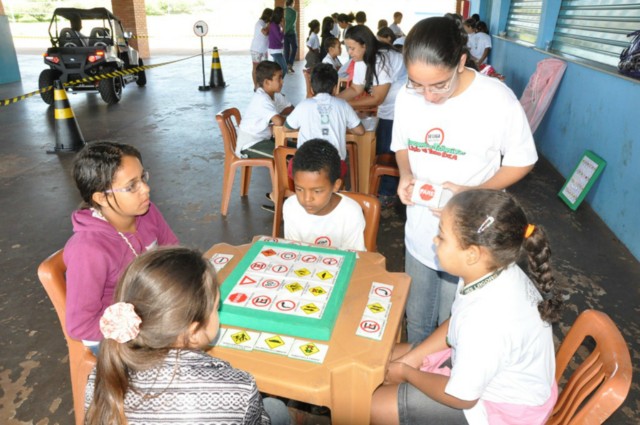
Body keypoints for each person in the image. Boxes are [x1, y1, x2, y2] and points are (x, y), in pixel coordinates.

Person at [391, 17, 538, 344]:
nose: (428, 96)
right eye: (419, 84)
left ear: (460, 62)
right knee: (416, 321)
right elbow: (401, 143)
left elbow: (522, 160)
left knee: (454, 326)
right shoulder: (407, 96)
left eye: (439, 85)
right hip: (420, 228)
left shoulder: (495, 99)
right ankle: (415, 380)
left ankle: (441, 388)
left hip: (469, 236)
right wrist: (406, 175)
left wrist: (470, 193)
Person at [370, 189, 562, 425]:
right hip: (495, 373)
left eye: (441, 236)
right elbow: (458, 321)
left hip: (501, 410)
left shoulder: (485, 322)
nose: (434, 240)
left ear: (472, 253)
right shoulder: (489, 269)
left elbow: (462, 397)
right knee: (377, 355)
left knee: (373, 405)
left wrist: (408, 373)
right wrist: (412, 359)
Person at [84, 247, 291, 425]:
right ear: (193, 333)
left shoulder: (102, 375)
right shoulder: (239, 388)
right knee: (276, 408)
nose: (218, 312)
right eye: (216, 307)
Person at [63, 142, 178, 353]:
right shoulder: (88, 250)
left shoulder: (147, 212)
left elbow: (174, 254)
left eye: (143, 178)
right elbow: (80, 325)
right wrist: (142, 327)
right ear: (101, 198)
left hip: (151, 308)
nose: (145, 189)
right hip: (113, 337)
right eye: (131, 186)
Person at [337, 25, 407, 206]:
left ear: (365, 45)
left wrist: (344, 106)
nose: (349, 52)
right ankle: (385, 188)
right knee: (383, 143)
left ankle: (387, 193)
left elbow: (377, 98)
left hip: (401, 106)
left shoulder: (379, 60)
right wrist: (334, 100)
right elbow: (356, 88)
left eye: (352, 48)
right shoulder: (362, 59)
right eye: (347, 48)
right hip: (389, 105)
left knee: (387, 147)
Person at [283, 139, 366, 251]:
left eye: (317, 191)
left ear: (336, 185)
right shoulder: (291, 207)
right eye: (299, 189)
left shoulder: (351, 213)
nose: (307, 199)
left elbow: (353, 258)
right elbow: (293, 252)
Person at [284, 63, 364, 177]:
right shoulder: (343, 105)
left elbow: (286, 127)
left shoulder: (303, 105)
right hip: (334, 169)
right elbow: (360, 131)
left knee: (293, 165)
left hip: (305, 168)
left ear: (311, 88)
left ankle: (300, 191)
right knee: (339, 168)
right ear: (335, 88)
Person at [236, 60, 294, 159]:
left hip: (265, 139)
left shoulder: (275, 94)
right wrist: (290, 121)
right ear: (267, 82)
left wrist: (277, 114)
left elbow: (290, 109)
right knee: (286, 156)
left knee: (299, 149)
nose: (282, 81)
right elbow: (279, 121)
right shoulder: (261, 99)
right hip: (250, 144)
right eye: (279, 78)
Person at [250, 8, 273, 89]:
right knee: (256, 68)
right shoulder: (260, 23)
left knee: (264, 68)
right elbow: (265, 32)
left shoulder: (265, 23)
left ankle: (262, 86)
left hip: (263, 50)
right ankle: (256, 86)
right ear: (268, 16)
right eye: (271, 16)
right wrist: (270, 24)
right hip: (256, 49)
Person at [268, 7, 287, 78]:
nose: (284, 16)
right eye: (283, 14)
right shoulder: (273, 25)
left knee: (276, 70)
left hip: (278, 50)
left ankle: (275, 86)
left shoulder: (276, 25)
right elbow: (281, 39)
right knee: (284, 69)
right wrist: (283, 28)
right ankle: (277, 84)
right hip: (275, 50)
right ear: (279, 15)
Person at [283, 0, 298, 74]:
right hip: (291, 33)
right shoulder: (294, 12)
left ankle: (287, 66)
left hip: (284, 33)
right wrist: (287, 30)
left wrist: (284, 31)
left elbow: (283, 22)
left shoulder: (284, 11)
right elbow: (292, 23)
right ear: (292, 3)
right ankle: (290, 64)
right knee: (295, 48)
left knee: (286, 50)